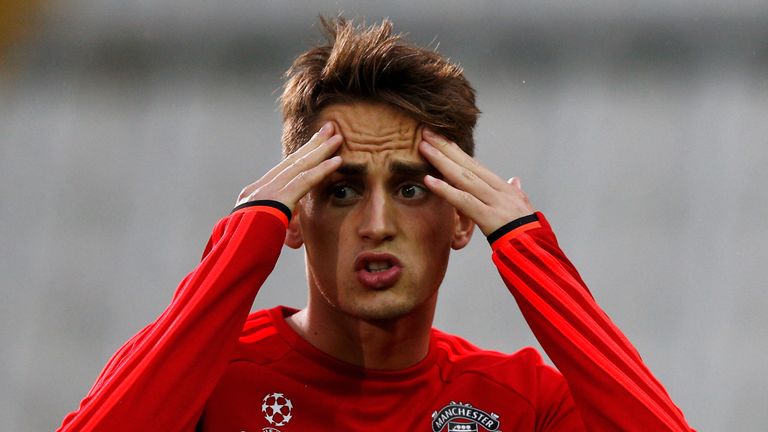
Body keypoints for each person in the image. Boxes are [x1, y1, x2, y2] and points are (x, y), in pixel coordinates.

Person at [58, 17, 694, 431]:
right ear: (293, 216)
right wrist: (239, 247)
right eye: (341, 190)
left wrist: (532, 256)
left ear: (463, 219)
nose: (377, 224)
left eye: (412, 187)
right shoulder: (207, 378)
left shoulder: (522, 405)